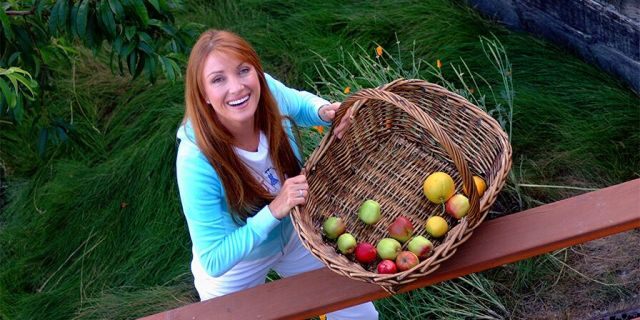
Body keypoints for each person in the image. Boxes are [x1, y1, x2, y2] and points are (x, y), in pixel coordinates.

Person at [175, 29, 378, 319]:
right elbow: (214, 259)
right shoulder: (196, 160)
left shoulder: (262, 90)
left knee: (360, 316)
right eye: (218, 79)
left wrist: (325, 111)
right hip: (238, 266)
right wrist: (274, 210)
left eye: (243, 70)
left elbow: (297, 103)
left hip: (296, 235)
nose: (237, 88)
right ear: (203, 94)